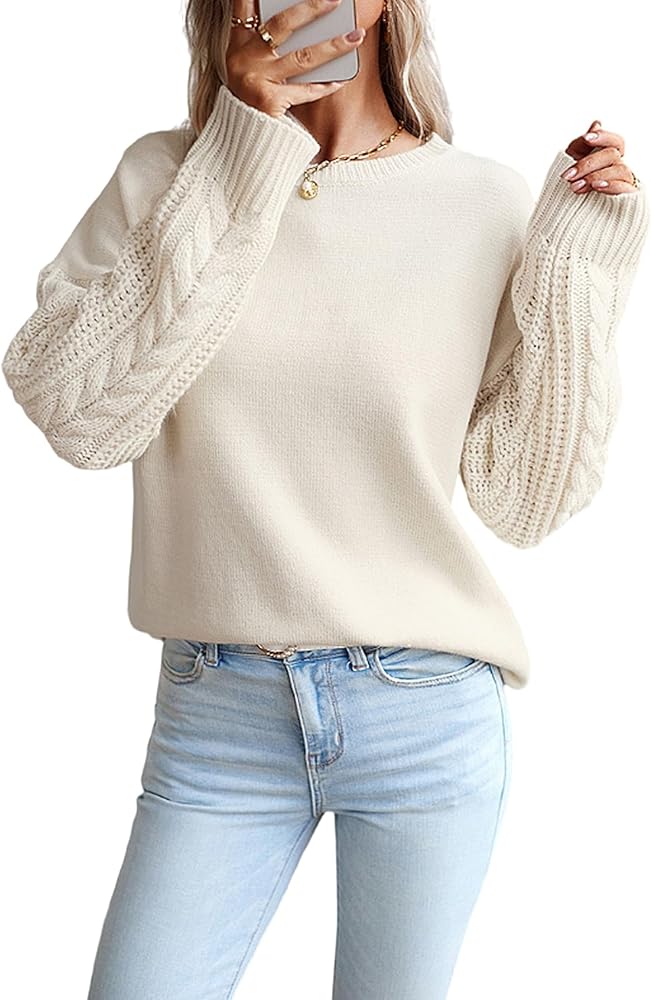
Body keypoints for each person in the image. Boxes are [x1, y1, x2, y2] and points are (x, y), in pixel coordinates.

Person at [2, 0, 648, 996]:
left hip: (421, 711)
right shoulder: (166, 176)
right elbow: (78, 415)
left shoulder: (478, 201)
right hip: (215, 719)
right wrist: (241, 153)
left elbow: (524, 497)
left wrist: (580, 266)